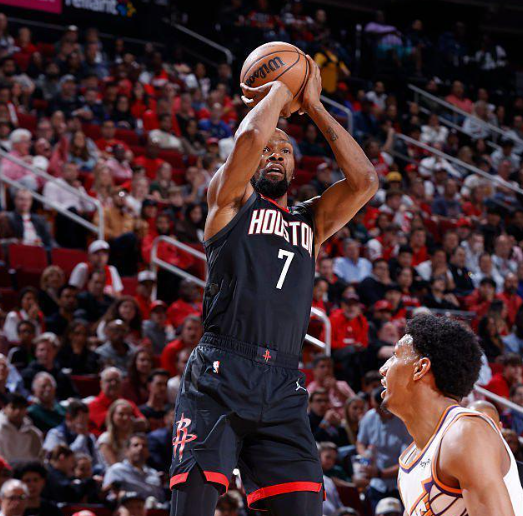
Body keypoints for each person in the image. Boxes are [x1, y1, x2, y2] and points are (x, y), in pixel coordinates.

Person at [169, 56, 377, 516]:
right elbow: (248, 138)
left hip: (284, 382)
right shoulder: (229, 201)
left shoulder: (311, 221)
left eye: (285, 151)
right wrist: (281, 88)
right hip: (221, 371)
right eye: (269, 149)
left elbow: (365, 181)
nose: (275, 154)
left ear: (296, 167)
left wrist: (314, 105)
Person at [380, 314, 523, 515]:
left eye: (395, 355)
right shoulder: (409, 457)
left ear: (420, 368)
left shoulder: (464, 433)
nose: (383, 369)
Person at [356, 387, 411, 509]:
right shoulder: (369, 417)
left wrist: (381, 474)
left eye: (380, 408)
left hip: (400, 483)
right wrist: (365, 456)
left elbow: (407, 461)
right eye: (374, 407)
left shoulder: (405, 422)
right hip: (376, 484)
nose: (377, 411)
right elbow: (360, 442)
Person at [102, 434, 164, 502]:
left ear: (148, 452)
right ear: (126, 451)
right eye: (136, 445)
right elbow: (108, 497)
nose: (140, 448)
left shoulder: (153, 474)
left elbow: (160, 500)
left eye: (144, 446)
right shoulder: (117, 470)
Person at [43, 400, 102, 470]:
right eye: (82, 422)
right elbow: (57, 460)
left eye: (86, 422)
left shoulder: (89, 437)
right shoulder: (55, 434)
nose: (85, 426)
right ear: (69, 418)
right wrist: (81, 437)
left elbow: (97, 461)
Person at [88, 367, 145, 437]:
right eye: (109, 380)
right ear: (101, 383)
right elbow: (114, 423)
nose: (113, 383)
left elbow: (143, 423)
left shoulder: (128, 403)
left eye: (117, 381)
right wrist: (131, 421)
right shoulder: (92, 405)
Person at [0, 393, 43, 463]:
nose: (18, 412)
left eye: (21, 408)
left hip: (26, 469)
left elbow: (38, 457)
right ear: (4, 407)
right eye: (13, 407)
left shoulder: (34, 433)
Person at [97, 399, 134, 468]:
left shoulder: (132, 438)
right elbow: (116, 467)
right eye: (121, 414)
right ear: (112, 416)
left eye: (128, 414)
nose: (125, 418)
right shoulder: (106, 438)